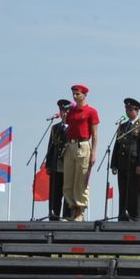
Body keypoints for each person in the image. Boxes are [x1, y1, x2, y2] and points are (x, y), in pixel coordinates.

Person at [60, 85, 100, 221]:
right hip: (70, 145)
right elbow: (67, 127)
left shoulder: (91, 111)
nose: (75, 96)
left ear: (84, 95)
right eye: (73, 94)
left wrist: (93, 152)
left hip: (82, 145)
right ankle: (71, 209)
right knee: (68, 180)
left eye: (77, 94)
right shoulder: (71, 112)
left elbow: (95, 135)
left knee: (80, 180)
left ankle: (80, 211)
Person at [111, 98, 140, 222]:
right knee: (123, 191)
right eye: (126, 109)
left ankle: (135, 217)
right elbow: (117, 145)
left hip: (135, 165)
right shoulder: (123, 126)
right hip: (123, 164)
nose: (128, 111)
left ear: (137, 110)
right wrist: (114, 164)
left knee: (135, 192)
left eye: (130, 109)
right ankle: (122, 215)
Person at [42, 99, 71, 221]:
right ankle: (53, 215)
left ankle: (67, 216)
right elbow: (51, 147)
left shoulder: (74, 127)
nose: (64, 113)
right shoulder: (55, 128)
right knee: (55, 193)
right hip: (56, 165)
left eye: (66, 111)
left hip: (68, 165)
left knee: (67, 193)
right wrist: (48, 165)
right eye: (62, 111)